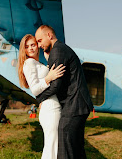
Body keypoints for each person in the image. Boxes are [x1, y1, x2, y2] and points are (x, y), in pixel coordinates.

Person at [35, 25, 94, 159]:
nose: (38, 45)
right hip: (78, 105)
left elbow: (55, 85)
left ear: (49, 35)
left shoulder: (58, 51)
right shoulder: (60, 50)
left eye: (39, 40)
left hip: (74, 106)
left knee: (66, 143)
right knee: (76, 148)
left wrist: (38, 98)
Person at [18, 34, 65, 159]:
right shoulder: (29, 63)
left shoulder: (36, 62)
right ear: (24, 50)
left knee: (52, 146)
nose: (31, 48)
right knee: (52, 147)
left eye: (33, 45)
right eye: (27, 47)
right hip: (50, 109)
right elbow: (35, 89)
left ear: (37, 46)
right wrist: (49, 77)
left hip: (50, 107)